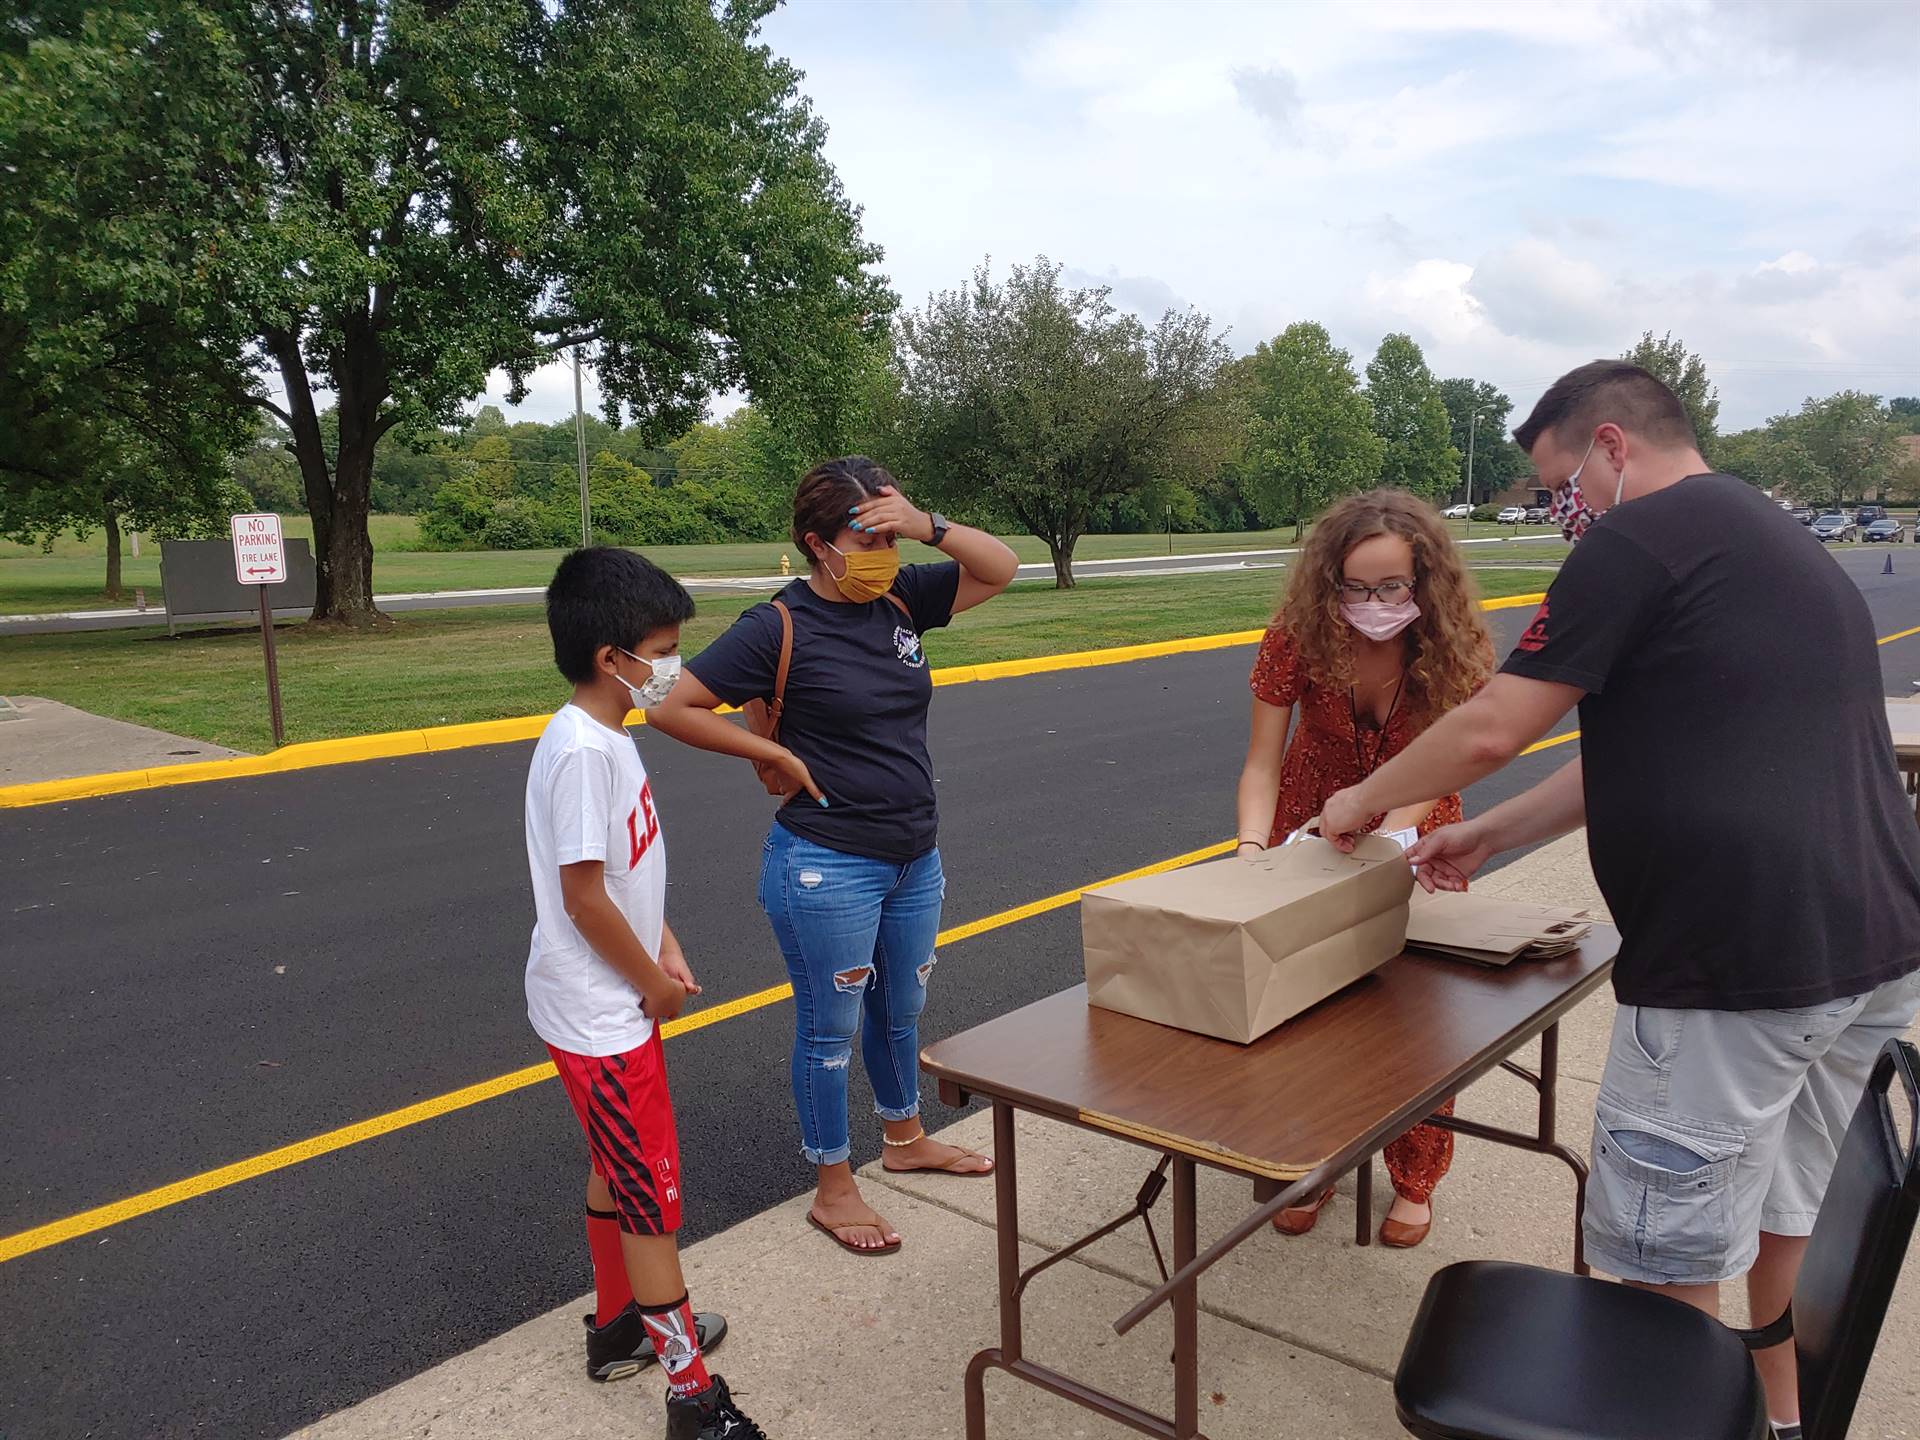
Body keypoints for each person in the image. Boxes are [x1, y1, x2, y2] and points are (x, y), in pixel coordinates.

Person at [1319, 362, 1920, 1440]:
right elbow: (1643, 752)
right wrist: (1489, 831)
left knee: (1665, 1269)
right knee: (1788, 1209)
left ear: (1610, 446)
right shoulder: (1774, 541)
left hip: (1733, 966)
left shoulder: (1638, 540)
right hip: (1870, 948)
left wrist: (1361, 798)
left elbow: (1500, 725)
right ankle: (1778, 1422)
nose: (1567, 514)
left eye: (1563, 487)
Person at [649, 456, 1018, 1255]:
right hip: (826, 863)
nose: (883, 544)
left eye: (891, 527)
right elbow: (671, 707)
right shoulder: (776, 626)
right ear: (818, 544)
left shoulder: (900, 596)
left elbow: (1002, 567)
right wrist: (774, 758)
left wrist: (927, 526)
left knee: (901, 1010)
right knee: (829, 1030)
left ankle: (906, 1138)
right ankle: (833, 1184)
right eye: (866, 531)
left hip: (914, 855)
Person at [524, 547, 765, 1440]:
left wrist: (661, 940)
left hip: (604, 997)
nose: (672, 666)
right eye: (662, 650)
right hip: (602, 1012)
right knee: (650, 1198)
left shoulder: (608, 736)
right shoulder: (585, 752)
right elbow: (583, 897)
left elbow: (619, 877)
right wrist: (651, 988)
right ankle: (692, 1397)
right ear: (609, 659)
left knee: (614, 1165)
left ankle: (619, 1325)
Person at [1235, 489, 1493, 1247]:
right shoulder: (1296, 637)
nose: (1374, 602)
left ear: (1425, 581)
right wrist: (1253, 853)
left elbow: (1440, 770)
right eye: (1356, 587)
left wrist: (1390, 841)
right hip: (1307, 834)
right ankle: (1309, 1161)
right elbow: (1260, 764)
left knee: (1414, 1017)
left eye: (1392, 587)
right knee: (1302, 1015)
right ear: (1330, 582)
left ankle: (1415, 1177)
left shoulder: (1455, 643)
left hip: (1421, 838)